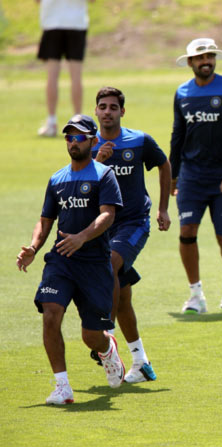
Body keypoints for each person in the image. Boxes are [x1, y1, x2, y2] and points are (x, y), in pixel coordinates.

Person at [16, 114, 125, 404]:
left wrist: (82, 237)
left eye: (78, 137)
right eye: (68, 137)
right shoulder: (57, 179)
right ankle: (62, 387)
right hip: (62, 260)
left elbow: (108, 215)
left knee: (92, 335)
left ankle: (107, 350)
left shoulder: (103, 175)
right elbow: (45, 220)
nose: (72, 142)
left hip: (93, 263)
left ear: (92, 140)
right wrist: (33, 247)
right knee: (51, 314)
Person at [88, 87, 171, 383]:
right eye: (102, 106)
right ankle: (141, 361)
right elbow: (79, 182)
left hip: (133, 223)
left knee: (110, 264)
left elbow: (164, 164)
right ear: (96, 111)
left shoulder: (139, 141)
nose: (107, 111)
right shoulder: (88, 145)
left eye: (113, 107)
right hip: (101, 227)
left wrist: (162, 209)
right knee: (122, 295)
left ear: (123, 112)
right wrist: (98, 158)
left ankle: (105, 334)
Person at [170, 38, 222, 314]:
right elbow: (178, 136)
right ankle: (196, 295)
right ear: (190, 62)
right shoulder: (182, 93)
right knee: (187, 231)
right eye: (200, 57)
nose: (206, 62)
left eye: (210, 56)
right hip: (191, 178)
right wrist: (173, 174)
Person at [36, 0, 94, 137]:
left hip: (52, 24)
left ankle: (51, 122)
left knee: (52, 76)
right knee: (76, 76)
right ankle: (79, 123)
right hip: (76, 23)